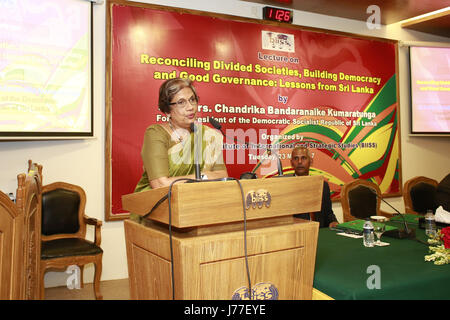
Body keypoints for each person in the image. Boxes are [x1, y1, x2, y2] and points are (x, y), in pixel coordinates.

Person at [134, 77, 228, 193]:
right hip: (157, 205)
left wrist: (198, 178)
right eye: (181, 102)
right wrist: (204, 177)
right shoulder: (156, 134)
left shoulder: (208, 135)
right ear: (167, 111)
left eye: (192, 100)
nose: (190, 107)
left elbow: (222, 175)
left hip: (197, 203)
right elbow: (160, 184)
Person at [290, 146, 339, 228]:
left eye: (304, 158)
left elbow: (328, 212)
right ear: (291, 163)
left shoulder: (323, 185)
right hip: (296, 233)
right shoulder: (286, 186)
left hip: (320, 232)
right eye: (296, 158)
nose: (299, 162)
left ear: (311, 161)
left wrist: (333, 221)